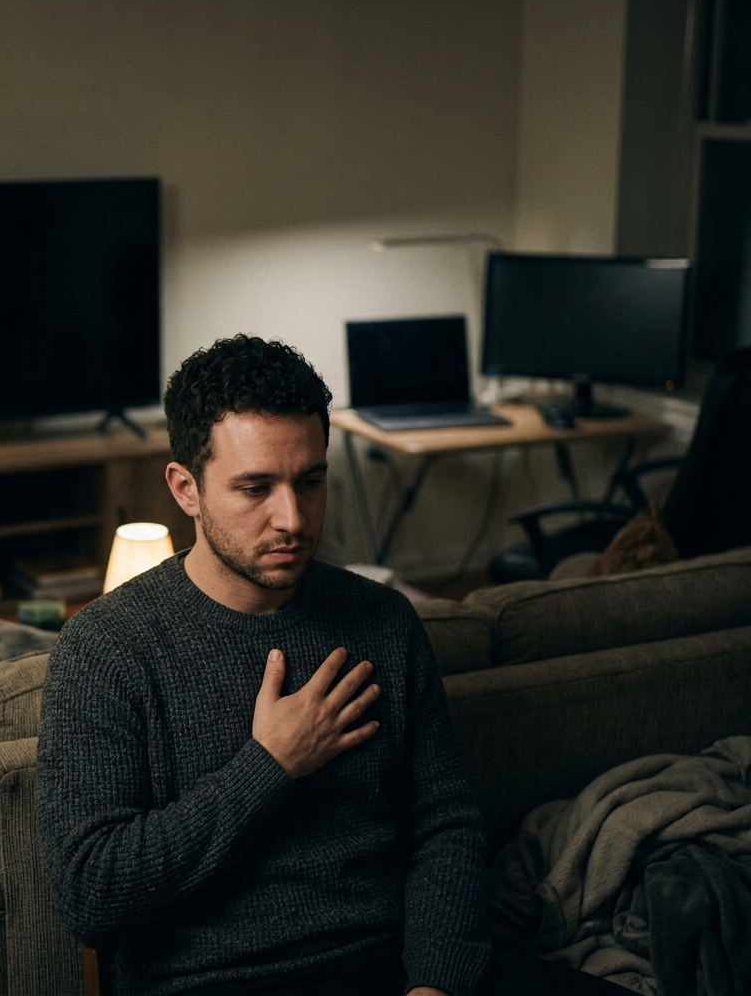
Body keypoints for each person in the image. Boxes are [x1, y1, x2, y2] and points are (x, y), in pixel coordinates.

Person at [37, 335, 628, 996]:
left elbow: (446, 828)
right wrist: (270, 766)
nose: (292, 517)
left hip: (396, 967)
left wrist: (434, 983)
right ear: (186, 489)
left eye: (310, 482)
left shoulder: (382, 620)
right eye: (255, 488)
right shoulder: (106, 650)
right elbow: (92, 898)